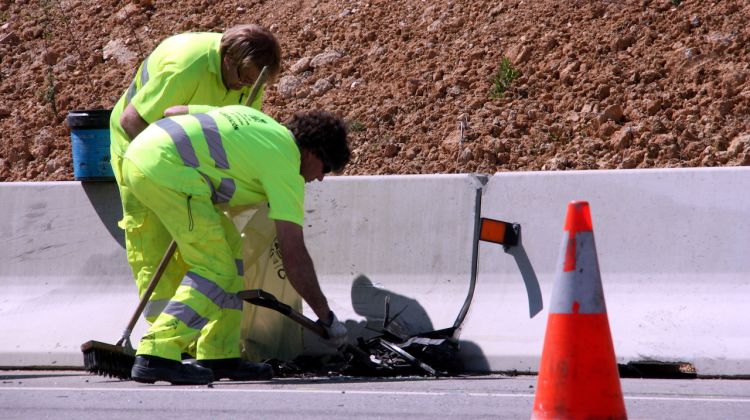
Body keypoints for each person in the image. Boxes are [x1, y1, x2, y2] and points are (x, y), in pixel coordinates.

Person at [123, 105, 350, 384]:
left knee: (231, 252)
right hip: (168, 168)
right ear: (314, 152)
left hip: (143, 153)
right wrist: (325, 316)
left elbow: (174, 111)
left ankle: (219, 352)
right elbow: (294, 253)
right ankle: (157, 350)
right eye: (326, 168)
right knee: (215, 268)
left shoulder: (260, 121)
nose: (320, 177)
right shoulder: (286, 164)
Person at [109, 24, 282, 324]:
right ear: (228, 59)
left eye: (253, 82)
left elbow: (241, 131)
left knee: (205, 242)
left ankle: (196, 334)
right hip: (139, 149)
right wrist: (175, 176)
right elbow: (132, 121)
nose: (246, 88)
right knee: (155, 240)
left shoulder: (251, 77)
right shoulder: (187, 66)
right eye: (243, 79)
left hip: (190, 158)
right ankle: (162, 340)